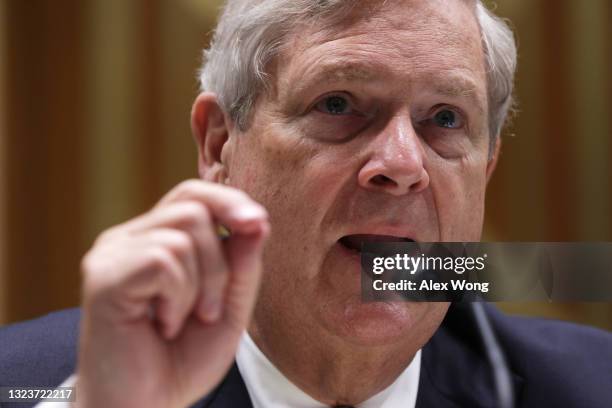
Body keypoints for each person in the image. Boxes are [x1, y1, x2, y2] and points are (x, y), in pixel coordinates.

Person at [1, 0, 611, 407]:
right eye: (339, 104)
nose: (402, 165)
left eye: (445, 119)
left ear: (488, 167)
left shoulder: (593, 385)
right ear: (220, 144)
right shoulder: (28, 385)